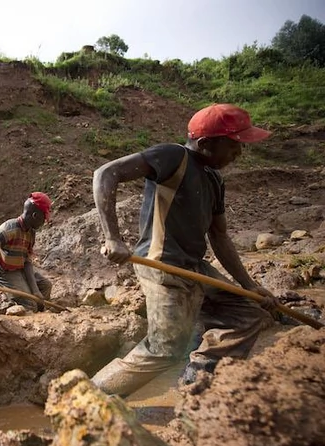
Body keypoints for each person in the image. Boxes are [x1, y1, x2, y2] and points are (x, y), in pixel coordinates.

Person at [91, 104, 279, 396]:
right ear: (205, 144)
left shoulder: (215, 179)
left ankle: (198, 379)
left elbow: (220, 237)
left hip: (193, 267)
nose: (238, 154)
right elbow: (106, 173)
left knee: (245, 314)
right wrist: (112, 237)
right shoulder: (174, 157)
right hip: (161, 263)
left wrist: (249, 285)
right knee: (166, 347)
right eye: (233, 146)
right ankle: (88, 400)